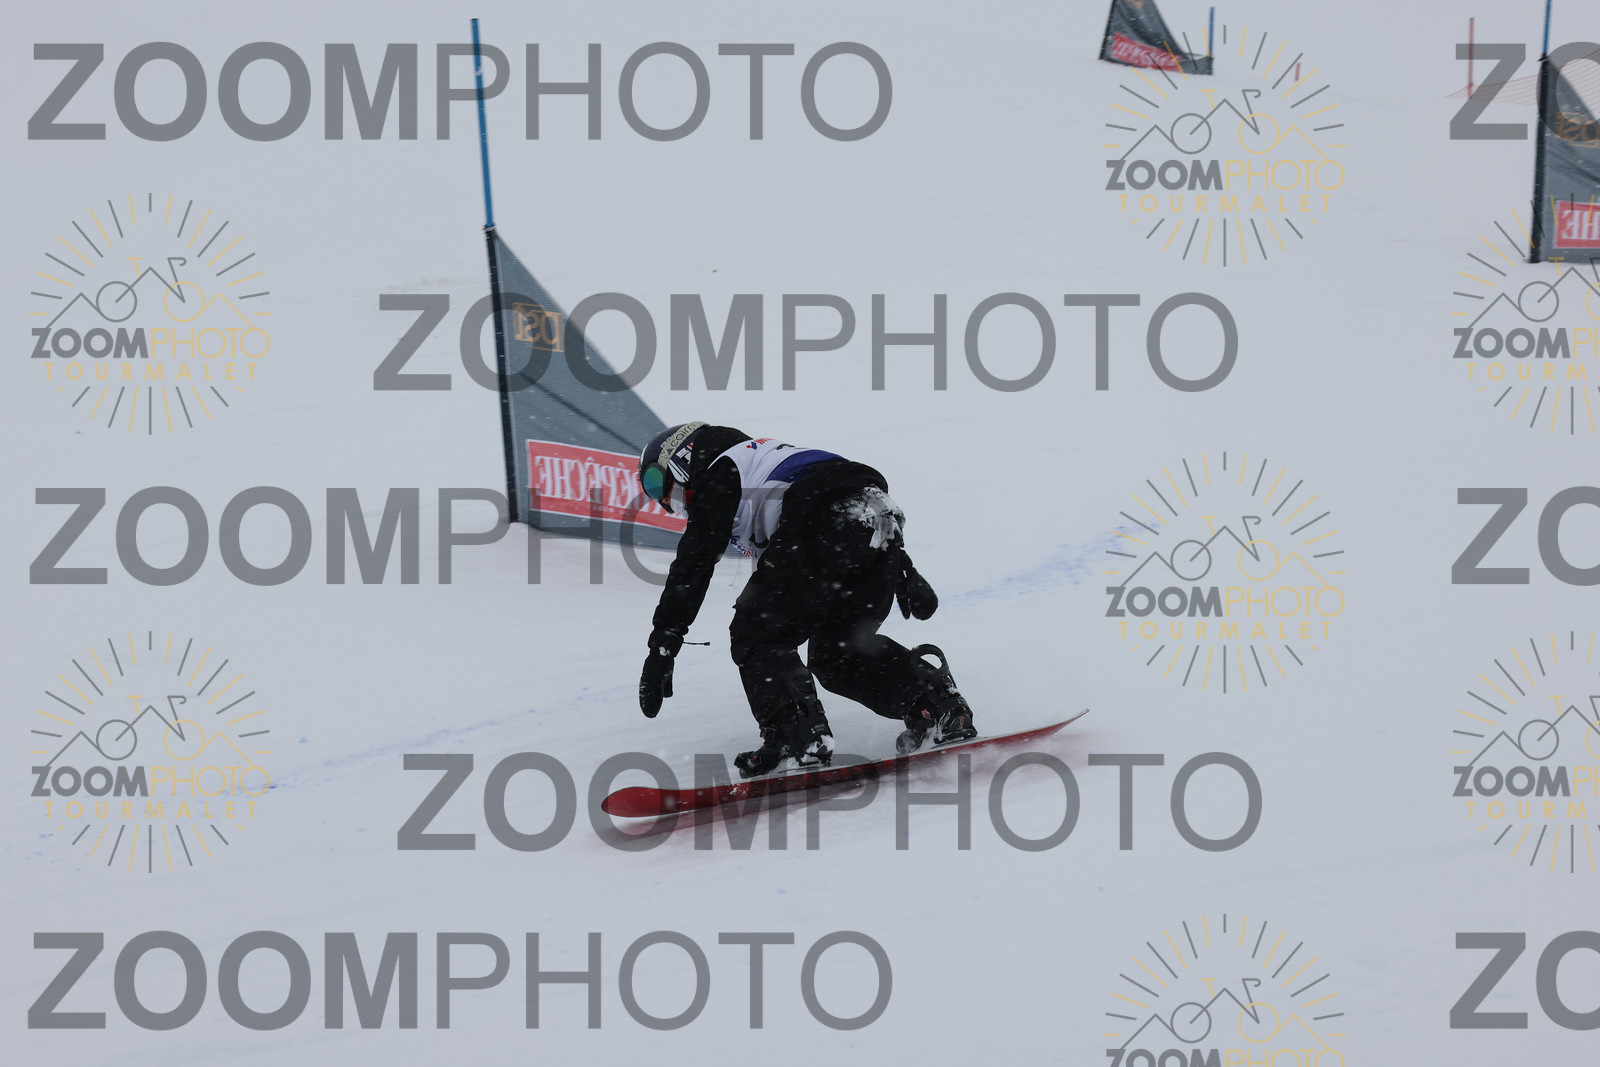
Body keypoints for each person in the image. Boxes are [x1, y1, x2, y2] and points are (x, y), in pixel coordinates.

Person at [634, 422, 978, 778]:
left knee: (757, 632)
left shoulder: (720, 470)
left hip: (826, 519)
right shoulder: (757, 463)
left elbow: (694, 562)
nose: (665, 504)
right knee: (838, 653)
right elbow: (851, 498)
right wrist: (901, 565)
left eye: (656, 485)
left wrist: (664, 643)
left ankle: (796, 739)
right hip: (877, 517)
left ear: (683, 457)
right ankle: (936, 706)